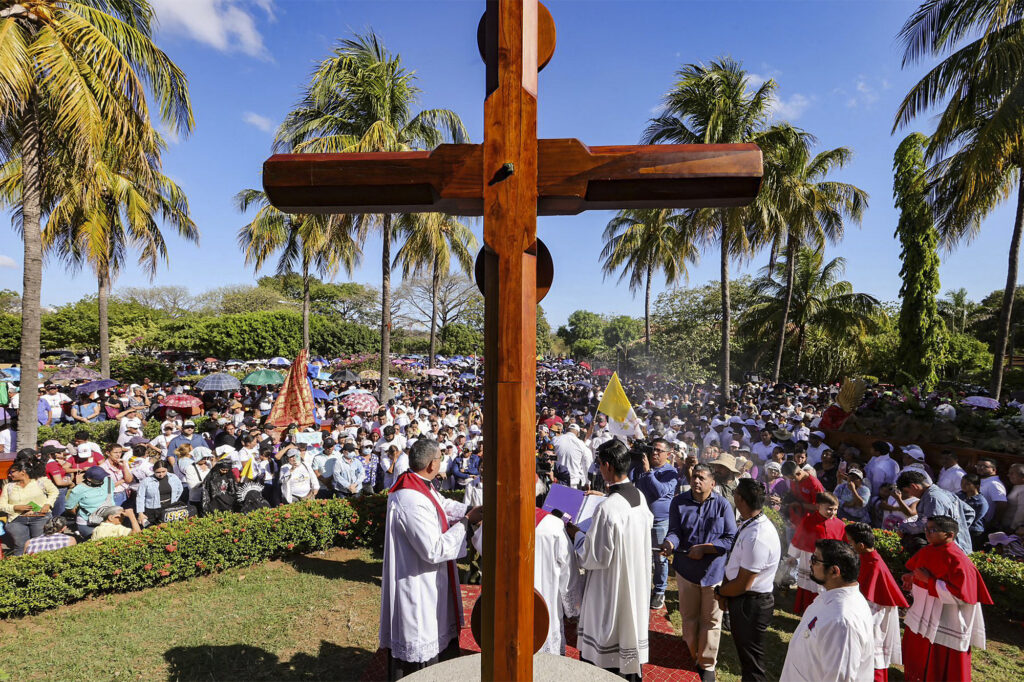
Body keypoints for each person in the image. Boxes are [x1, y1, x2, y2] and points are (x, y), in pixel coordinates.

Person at [379, 438, 483, 680]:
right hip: (416, 581)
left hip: (430, 579)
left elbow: (442, 505)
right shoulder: (410, 498)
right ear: (431, 464)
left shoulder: (420, 484)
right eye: (439, 458)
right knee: (420, 638)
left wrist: (470, 509)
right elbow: (433, 549)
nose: (440, 462)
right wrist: (467, 522)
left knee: (437, 631)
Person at [567, 438, 653, 681]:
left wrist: (578, 536)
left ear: (607, 466)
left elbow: (594, 558)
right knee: (628, 650)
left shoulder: (608, 508)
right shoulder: (638, 496)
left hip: (610, 590)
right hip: (634, 584)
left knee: (606, 660)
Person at [659, 463, 736, 681]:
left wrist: (706, 549)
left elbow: (730, 538)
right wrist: (669, 543)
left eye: (702, 478)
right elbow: (674, 531)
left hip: (713, 573)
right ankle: (689, 656)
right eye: (694, 477)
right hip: (686, 572)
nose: (696, 481)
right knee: (689, 617)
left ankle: (707, 663)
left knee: (711, 621)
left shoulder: (722, 505)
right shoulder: (679, 501)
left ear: (713, 483)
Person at [901, 515, 993, 682]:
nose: (927, 533)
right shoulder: (928, 550)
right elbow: (921, 573)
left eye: (933, 530)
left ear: (950, 535)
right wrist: (912, 577)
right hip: (924, 612)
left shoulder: (959, 561)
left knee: (942, 660)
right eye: (926, 529)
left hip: (948, 617)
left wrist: (929, 581)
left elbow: (962, 597)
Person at [780, 539, 875, 682]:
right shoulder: (832, 596)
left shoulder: (843, 621)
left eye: (815, 559)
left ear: (834, 571)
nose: (810, 563)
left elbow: (839, 678)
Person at [715, 478, 780, 682]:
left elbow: (744, 583)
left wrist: (720, 592)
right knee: (746, 658)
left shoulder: (758, 536)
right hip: (743, 599)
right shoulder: (752, 523)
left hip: (750, 603)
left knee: (752, 663)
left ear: (740, 499)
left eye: (735, 493)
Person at [845, 522, 908, 682]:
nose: (848, 545)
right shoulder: (866, 557)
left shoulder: (874, 566)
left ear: (860, 545)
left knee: (872, 650)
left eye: (849, 542)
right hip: (869, 607)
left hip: (875, 612)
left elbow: (870, 597)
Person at [636, 437, 680, 610]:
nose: (654, 453)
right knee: (643, 557)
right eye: (652, 449)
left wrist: (648, 472)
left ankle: (660, 591)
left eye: (659, 450)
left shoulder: (671, 472)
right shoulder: (643, 468)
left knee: (660, 558)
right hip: (642, 520)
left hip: (660, 522)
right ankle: (644, 588)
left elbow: (660, 491)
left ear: (668, 454)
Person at [788, 491, 846, 614]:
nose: (833, 513)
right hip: (810, 558)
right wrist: (793, 556)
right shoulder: (808, 520)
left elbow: (843, 544)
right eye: (829, 509)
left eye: (835, 509)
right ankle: (807, 610)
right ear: (819, 506)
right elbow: (799, 538)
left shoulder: (839, 524)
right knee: (810, 586)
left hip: (830, 561)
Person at [896, 471, 975, 555]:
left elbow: (930, 526)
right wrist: (958, 529)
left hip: (949, 550)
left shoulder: (932, 499)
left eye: (907, 491)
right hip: (959, 546)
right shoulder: (946, 493)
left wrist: (903, 528)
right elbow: (970, 512)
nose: (910, 495)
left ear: (914, 486)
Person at [0, 459, 58, 555]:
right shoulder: (8, 487)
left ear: (23, 472)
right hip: (17, 520)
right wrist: (15, 507)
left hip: (40, 517)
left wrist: (48, 504)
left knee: (40, 545)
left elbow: (54, 492)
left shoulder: (41, 481)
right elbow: (1, 505)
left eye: (12, 472)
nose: (10, 475)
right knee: (20, 546)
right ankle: (18, 567)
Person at [65, 466, 115, 539]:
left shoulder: (108, 481)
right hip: (88, 523)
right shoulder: (78, 490)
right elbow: (69, 507)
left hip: (108, 520)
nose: (102, 480)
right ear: (89, 479)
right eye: (98, 479)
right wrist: (87, 513)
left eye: (103, 477)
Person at [135, 459, 184, 526]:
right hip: (152, 510)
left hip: (169, 507)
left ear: (167, 469)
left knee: (169, 527)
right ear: (153, 471)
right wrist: (140, 513)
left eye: (163, 471)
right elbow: (140, 497)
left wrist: (174, 500)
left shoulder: (174, 477)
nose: (161, 474)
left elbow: (180, 489)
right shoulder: (146, 481)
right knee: (150, 528)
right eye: (158, 472)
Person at [553, 422, 592, 489]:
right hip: (573, 481)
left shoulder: (555, 439)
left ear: (567, 430)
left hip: (557, 479)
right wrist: (588, 482)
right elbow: (586, 464)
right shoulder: (581, 444)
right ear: (578, 433)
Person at [956, 474, 989, 550]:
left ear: (976, 486)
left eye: (967, 484)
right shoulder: (959, 495)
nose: (963, 486)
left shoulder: (981, 502)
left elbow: (975, 518)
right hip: (960, 529)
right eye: (962, 483)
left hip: (974, 531)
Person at [975, 458, 1006, 530]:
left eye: (985, 466)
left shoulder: (994, 484)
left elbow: (1002, 504)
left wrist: (993, 522)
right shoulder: (984, 480)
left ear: (994, 469)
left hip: (985, 524)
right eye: (978, 466)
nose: (980, 468)